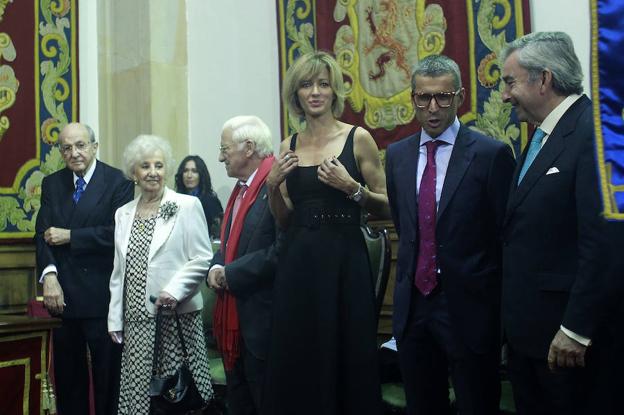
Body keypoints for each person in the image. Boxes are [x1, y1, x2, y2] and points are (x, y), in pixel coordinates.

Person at [385, 55, 516, 415]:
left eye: (442, 97)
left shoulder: (490, 155)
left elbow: (505, 237)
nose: (433, 107)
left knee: (477, 404)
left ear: (459, 97)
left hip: (470, 307)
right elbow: (404, 223)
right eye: (423, 98)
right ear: (412, 98)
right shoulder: (398, 155)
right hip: (414, 308)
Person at [263, 50, 389, 415]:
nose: (315, 92)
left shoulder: (358, 138)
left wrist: (353, 188)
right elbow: (285, 219)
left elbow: (390, 205)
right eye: (306, 85)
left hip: (344, 260)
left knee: (344, 351)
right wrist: (272, 187)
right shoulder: (288, 146)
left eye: (322, 84)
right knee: (299, 353)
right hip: (297, 263)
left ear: (334, 91)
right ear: (296, 94)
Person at [500, 32, 610, 414]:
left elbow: (605, 244)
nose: (504, 95)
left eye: (510, 82)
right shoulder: (543, 136)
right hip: (532, 337)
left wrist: (576, 329)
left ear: (543, 79)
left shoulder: (593, 133)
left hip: (569, 342)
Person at [107, 134, 214, 413]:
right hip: (136, 320)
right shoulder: (123, 213)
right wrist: (114, 318)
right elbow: (119, 272)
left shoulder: (186, 206)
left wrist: (174, 291)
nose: (153, 172)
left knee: (177, 395)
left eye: (159, 165)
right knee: (139, 393)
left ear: (167, 169)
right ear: (134, 172)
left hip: (175, 318)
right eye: (145, 166)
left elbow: (202, 258)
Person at [34, 122, 134, 415]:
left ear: (94, 146)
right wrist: (49, 276)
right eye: (67, 147)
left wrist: (72, 236)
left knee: (107, 382)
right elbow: (42, 234)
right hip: (62, 297)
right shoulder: (53, 183)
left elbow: (118, 233)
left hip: (102, 297)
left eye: (80, 145)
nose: (74, 153)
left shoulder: (118, 182)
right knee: (69, 382)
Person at [207, 115, 279, 415]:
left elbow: (282, 250)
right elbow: (227, 245)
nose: (220, 156)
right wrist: (215, 267)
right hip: (237, 318)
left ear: (248, 148)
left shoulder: (277, 182)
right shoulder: (240, 189)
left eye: (225, 148)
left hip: (266, 320)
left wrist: (230, 274)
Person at [175, 155, 224, 239]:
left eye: (194, 171)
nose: (189, 175)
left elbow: (218, 234)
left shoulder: (210, 201)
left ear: (201, 175)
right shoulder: (175, 200)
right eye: (186, 171)